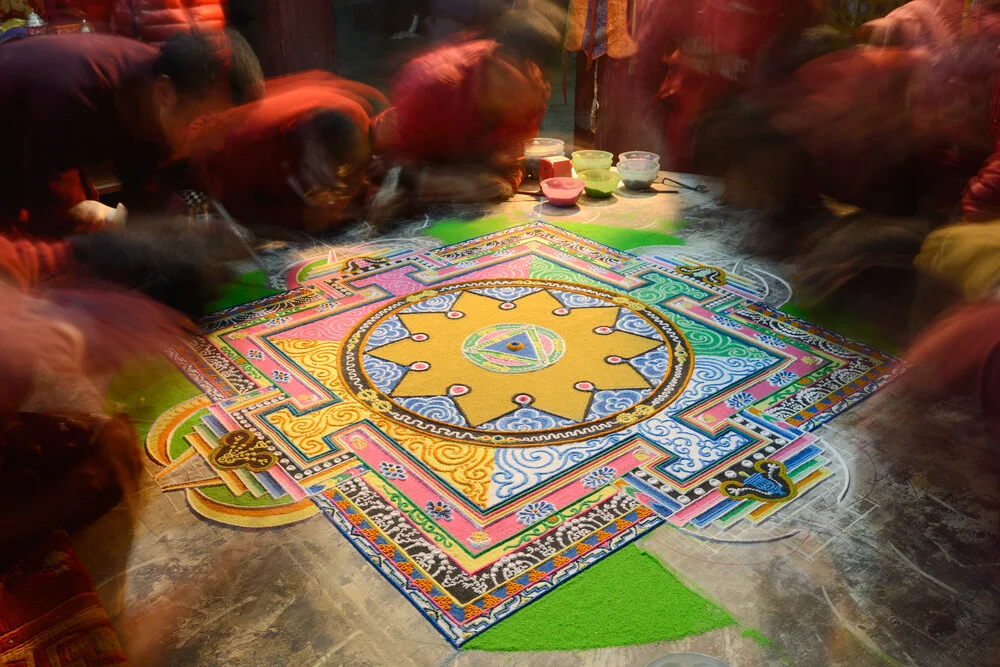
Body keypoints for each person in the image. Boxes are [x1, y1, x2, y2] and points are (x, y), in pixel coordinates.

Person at [0, 30, 263, 238]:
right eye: (208, 124)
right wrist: (113, 222)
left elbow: (153, 187)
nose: (217, 143)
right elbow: (53, 212)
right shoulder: (75, 96)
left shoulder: (163, 92)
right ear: (164, 93)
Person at [371, 4, 562, 213]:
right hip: (403, 158)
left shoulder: (535, 90)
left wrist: (499, 173)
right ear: (497, 63)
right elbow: (396, 169)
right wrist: (451, 183)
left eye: (538, 85)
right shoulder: (435, 83)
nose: (525, 100)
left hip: (470, 170)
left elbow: (509, 165)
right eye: (516, 84)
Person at [182, 72, 386, 233]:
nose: (331, 193)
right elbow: (236, 211)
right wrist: (300, 216)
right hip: (200, 154)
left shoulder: (358, 122)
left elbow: (359, 175)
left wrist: (364, 195)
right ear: (309, 150)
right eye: (324, 179)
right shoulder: (247, 146)